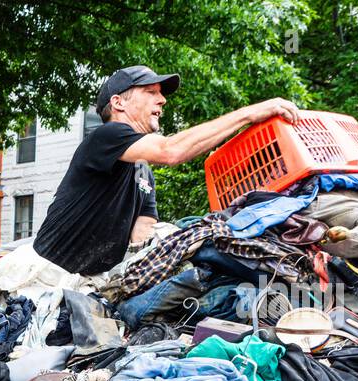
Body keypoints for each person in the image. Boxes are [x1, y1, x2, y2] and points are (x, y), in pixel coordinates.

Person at [32, 65, 300, 275]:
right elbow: (171, 151)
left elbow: (142, 230)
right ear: (118, 103)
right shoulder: (105, 136)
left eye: (160, 93)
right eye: (151, 92)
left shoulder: (142, 171)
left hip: (90, 279)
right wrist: (249, 114)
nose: (162, 100)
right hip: (46, 274)